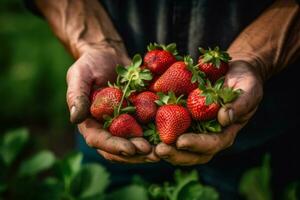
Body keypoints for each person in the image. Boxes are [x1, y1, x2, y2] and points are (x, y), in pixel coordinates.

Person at [25, 0, 300, 199]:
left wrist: (255, 59)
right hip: (118, 131)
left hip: (265, 118)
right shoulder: (134, 103)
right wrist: (95, 44)